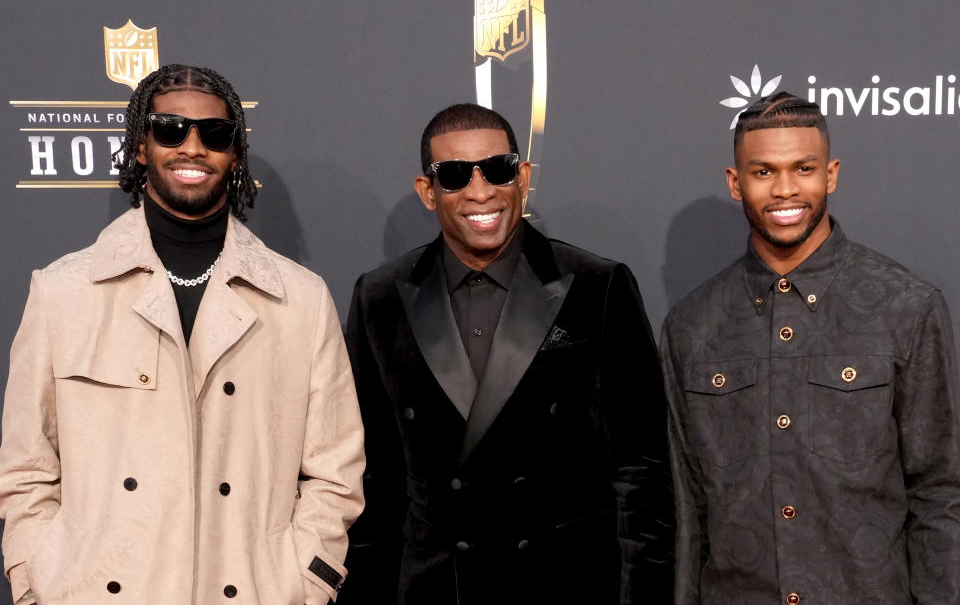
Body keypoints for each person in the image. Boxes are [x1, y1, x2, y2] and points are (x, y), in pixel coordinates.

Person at [0, 64, 364, 605]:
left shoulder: (301, 299)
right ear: (142, 146)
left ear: (235, 152)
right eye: (170, 129)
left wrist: (307, 582)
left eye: (214, 134)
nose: (192, 147)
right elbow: (27, 466)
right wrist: (37, 575)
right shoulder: (63, 291)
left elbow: (335, 470)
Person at [339, 103, 673, 605]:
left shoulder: (597, 287)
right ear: (427, 192)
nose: (480, 192)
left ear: (522, 176)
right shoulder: (380, 297)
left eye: (497, 169)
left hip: (565, 586)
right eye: (454, 176)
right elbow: (373, 480)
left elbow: (641, 473)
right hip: (436, 589)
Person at [662, 91, 960, 604]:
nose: (785, 190)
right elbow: (688, 510)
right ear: (736, 183)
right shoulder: (692, 324)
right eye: (762, 172)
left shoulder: (905, 307)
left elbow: (941, 493)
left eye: (803, 168)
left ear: (831, 174)